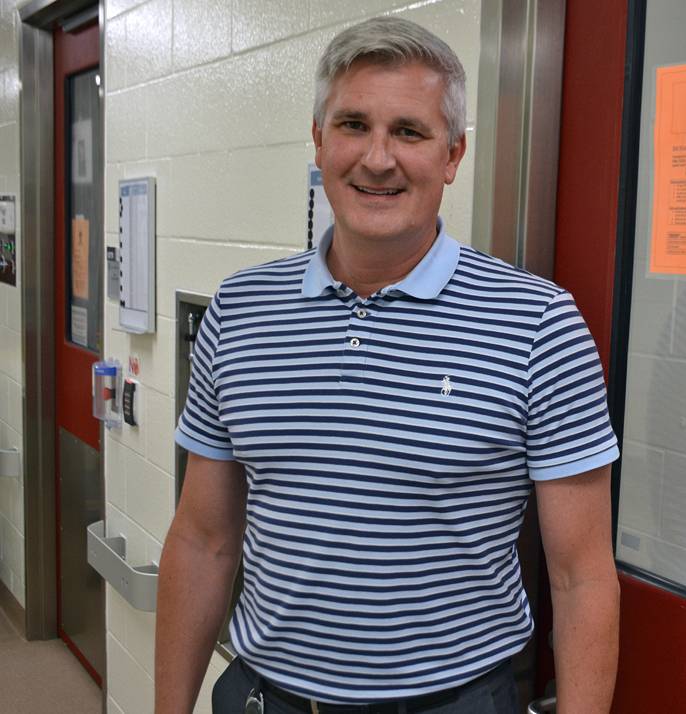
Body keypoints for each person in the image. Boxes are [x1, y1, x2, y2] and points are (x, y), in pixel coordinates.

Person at [155, 17, 620, 714]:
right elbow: (202, 539)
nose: (377, 159)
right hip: (264, 699)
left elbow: (582, 577)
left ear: (453, 154)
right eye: (352, 125)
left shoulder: (539, 325)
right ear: (319, 141)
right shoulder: (241, 311)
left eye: (409, 132)